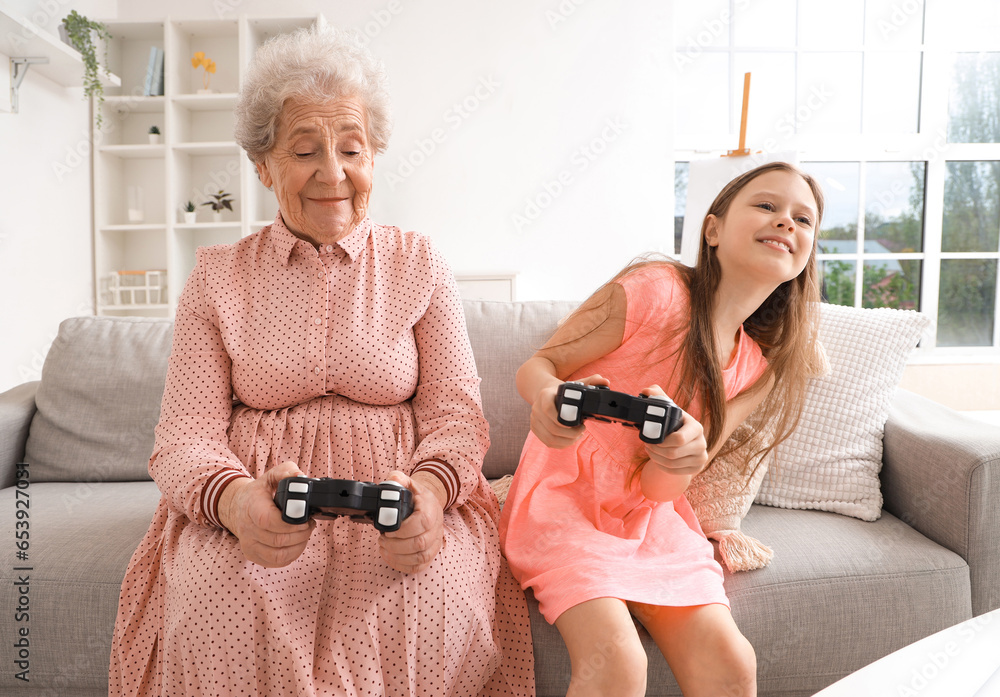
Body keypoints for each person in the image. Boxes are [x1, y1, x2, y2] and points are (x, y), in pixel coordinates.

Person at [109, 24, 534, 696]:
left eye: (352, 149)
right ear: (262, 165)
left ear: (375, 155)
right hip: (258, 514)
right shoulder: (217, 277)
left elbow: (457, 418)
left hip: (397, 511)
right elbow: (184, 439)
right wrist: (236, 502)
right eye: (304, 149)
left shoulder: (419, 262)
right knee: (223, 605)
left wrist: (427, 494)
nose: (333, 173)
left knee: (432, 601)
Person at [499, 162, 827, 697]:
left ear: (807, 253)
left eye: (803, 219)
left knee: (732, 663)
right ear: (713, 229)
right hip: (563, 499)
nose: (786, 223)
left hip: (652, 517)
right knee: (619, 662)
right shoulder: (655, 289)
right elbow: (540, 366)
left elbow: (662, 489)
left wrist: (674, 461)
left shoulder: (755, 369)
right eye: (767, 206)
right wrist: (548, 400)